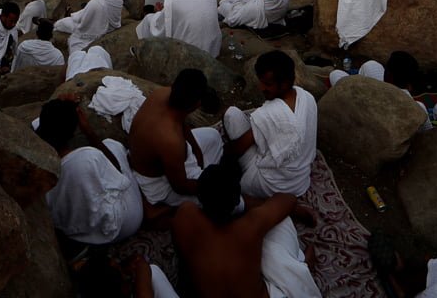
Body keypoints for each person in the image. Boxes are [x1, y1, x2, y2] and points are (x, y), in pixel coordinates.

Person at [173, 156, 321, 298]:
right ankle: (302, 269)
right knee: (281, 221)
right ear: (237, 198)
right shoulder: (249, 227)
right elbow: (288, 200)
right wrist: (297, 210)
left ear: (199, 195)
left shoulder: (185, 216)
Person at [36, 98, 143, 245]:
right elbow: (116, 169)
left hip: (76, 234)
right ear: (74, 131)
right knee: (112, 146)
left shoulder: (37, 166)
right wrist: (89, 131)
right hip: (121, 226)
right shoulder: (87, 158)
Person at [127, 69, 224, 213]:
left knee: (213, 137)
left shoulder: (163, 93)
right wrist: (212, 185)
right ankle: (159, 210)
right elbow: (180, 186)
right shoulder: (170, 140)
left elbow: (181, 123)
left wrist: (197, 155)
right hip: (158, 184)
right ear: (196, 104)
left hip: (169, 158)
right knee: (225, 200)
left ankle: (202, 173)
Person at [223, 51, 317, 198]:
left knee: (231, 114)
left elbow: (238, 149)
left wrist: (224, 153)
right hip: (300, 183)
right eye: (261, 81)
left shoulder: (268, 114)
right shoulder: (307, 97)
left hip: (270, 185)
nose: (261, 88)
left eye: (267, 84)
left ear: (284, 83)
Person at [54, 0, 125, 54]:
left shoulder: (96, 2)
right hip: (113, 25)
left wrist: (74, 15)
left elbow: (83, 23)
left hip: (100, 28)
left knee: (61, 23)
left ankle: (56, 21)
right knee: (80, 12)